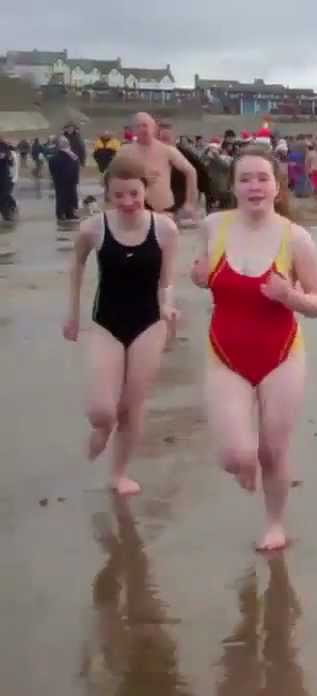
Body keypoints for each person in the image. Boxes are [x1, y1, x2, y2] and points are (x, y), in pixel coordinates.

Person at [190, 144, 317, 552]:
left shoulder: (296, 238)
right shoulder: (213, 227)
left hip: (281, 353)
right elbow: (203, 271)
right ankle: (244, 463)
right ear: (232, 186)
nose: (254, 186)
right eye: (245, 179)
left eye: (262, 178)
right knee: (237, 455)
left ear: (277, 187)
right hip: (225, 353)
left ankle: (274, 523)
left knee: (273, 449)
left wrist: (292, 297)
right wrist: (199, 276)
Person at [63, 156, 179, 495]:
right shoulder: (94, 227)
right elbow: (76, 268)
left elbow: (166, 280)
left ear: (145, 190)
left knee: (131, 406)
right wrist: (72, 314)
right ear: (108, 195)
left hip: (149, 324)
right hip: (106, 323)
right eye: (119, 196)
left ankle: (119, 473)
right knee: (102, 410)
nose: (128, 202)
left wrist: (168, 306)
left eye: (134, 194)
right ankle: (101, 431)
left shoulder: (164, 229)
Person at [115, 113, 198, 217]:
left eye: (145, 125)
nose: (142, 129)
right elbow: (110, 178)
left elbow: (191, 171)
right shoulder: (124, 151)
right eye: (138, 126)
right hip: (134, 208)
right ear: (133, 130)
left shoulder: (167, 150)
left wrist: (190, 202)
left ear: (153, 127)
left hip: (163, 208)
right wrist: (138, 177)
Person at [49, 136, 82, 223]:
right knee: (62, 197)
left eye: (66, 143)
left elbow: (76, 167)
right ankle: (61, 214)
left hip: (70, 180)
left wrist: (76, 179)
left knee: (70, 197)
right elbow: (53, 167)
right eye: (63, 144)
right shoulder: (57, 156)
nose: (65, 146)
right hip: (61, 180)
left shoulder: (73, 156)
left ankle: (69, 213)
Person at [0, 137, 15, 222]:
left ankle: (6, 214)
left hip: (3, 175)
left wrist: (6, 157)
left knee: (4, 195)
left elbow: (11, 161)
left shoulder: (3, 146)